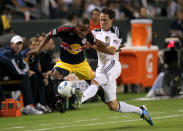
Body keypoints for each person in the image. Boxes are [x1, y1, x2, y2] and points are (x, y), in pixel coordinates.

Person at [74, 7, 153, 126]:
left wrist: (94, 46)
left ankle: (79, 100)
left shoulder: (115, 31)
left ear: (112, 20)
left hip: (113, 65)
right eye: (101, 20)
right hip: (101, 67)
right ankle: (141, 111)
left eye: (105, 20)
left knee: (95, 82)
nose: (102, 22)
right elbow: (85, 42)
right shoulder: (95, 32)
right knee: (113, 106)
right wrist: (86, 45)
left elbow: (111, 51)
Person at [28, 18, 95, 111]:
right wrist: (38, 50)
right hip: (64, 63)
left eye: (85, 30)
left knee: (95, 83)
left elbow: (96, 44)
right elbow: (48, 35)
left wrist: (92, 46)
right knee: (55, 75)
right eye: (81, 29)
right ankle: (57, 101)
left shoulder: (89, 35)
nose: (83, 33)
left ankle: (78, 97)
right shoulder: (64, 30)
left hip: (80, 63)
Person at [0, 35, 43, 115]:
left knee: (34, 77)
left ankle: (33, 104)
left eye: (20, 44)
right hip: (3, 80)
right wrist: (25, 73)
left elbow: (25, 66)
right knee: (25, 77)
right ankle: (27, 106)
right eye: (16, 44)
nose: (18, 46)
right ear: (11, 44)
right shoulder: (6, 53)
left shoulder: (18, 54)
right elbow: (14, 69)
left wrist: (26, 72)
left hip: (9, 80)